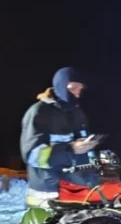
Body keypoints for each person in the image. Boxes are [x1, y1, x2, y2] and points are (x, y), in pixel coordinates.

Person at [20, 67, 102, 207]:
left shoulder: (77, 113)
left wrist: (93, 153)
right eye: (73, 88)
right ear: (60, 85)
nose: (77, 93)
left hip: (76, 192)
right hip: (47, 195)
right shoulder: (39, 112)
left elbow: (81, 150)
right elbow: (32, 155)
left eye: (80, 89)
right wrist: (71, 149)